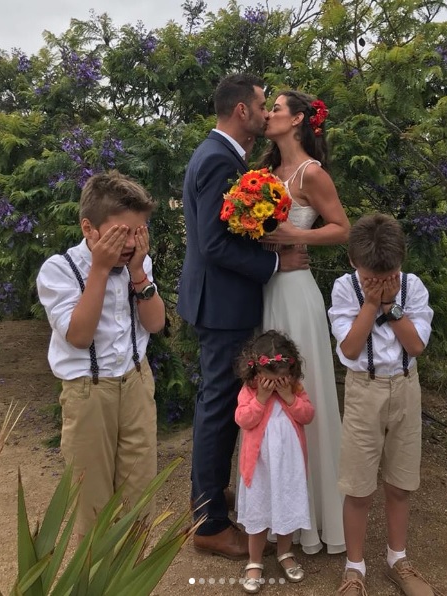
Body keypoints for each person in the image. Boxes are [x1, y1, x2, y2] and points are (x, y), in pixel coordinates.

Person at [178, 73, 309, 559]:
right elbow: (214, 244)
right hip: (223, 303)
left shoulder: (222, 156)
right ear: (241, 111)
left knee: (216, 404)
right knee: (218, 409)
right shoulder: (218, 159)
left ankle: (210, 494)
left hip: (221, 301)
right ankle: (210, 523)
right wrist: (275, 263)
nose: (265, 112)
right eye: (260, 104)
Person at [36, 170, 165, 539]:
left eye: (138, 232)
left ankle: (134, 569)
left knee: (139, 497)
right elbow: (79, 336)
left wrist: (139, 274)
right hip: (88, 392)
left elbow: (155, 323)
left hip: (136, 383)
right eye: (121, 233)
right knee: (93, 505)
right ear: (89, 228)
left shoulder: (137, 263)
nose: (131, 243)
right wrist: (100, 269)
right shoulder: (59, 270)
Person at [254, 89, 350, 555]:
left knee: (299, 390)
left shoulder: (312, 173)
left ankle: (313, 516)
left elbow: (342, 228)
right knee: (264, 392)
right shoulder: (261, 175)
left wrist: (297, 234)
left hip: (297, 292)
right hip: (263, 290)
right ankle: (270, 516)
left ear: (297, 120)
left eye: (275, 108)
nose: (267, 114)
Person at [328, 214, 436, 596]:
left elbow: (416, 345)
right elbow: (350, 348)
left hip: (406, 387)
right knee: (358, 486)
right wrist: (371, 304)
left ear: (400, 263)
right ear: (353, 263)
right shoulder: (344, 289)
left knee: (401, 482)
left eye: (388, 275)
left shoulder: (413, 287)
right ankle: (354, 567)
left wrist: (390, 305)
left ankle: (397, 559)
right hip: (364, 390)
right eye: (369, 277)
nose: (378, 281)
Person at [234, 330, 314, 593]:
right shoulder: (250, 391)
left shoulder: (294, 389)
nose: (275, 384)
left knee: (286, 506)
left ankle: (284, 552)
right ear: (256, 372)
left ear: (290, 372)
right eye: (269, 380)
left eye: (281, 379)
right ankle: (255, 560)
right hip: (260, 467)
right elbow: (243, 419)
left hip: (288, 466)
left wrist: (289, 397)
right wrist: (261, 399)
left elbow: (307, 415)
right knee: (259, 509)